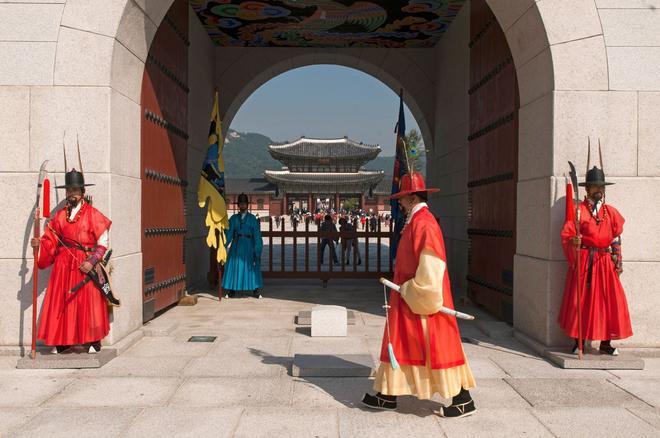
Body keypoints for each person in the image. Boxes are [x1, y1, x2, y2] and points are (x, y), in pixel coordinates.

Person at [362, 172, 476, 418]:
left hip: (419, 297)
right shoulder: (416, 220)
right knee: (401, 344)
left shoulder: (424, 223)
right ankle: (387, 393)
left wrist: (416, 291)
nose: (399, 204)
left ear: (412, 198)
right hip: (406, 296)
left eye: (402, 199)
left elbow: (431, 266)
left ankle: (462, 397)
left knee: (436, 347)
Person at [30, 165, 112, 354]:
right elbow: (50, 241)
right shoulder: (58, 217)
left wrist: (91, 262)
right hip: (63, 266)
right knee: (64, 303)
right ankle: (64, 341)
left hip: (85, 265)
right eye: (69, 190)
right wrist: (39, 244)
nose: (71, 194)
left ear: (83, 192)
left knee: (87, 304)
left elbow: (103, 243)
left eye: (75, 190)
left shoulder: (94, 215)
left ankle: (90, 341)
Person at [559, 158, 632, 355]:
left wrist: (618, 260)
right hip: (585, 262)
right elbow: (566, 235)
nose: (599, 190)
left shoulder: (610, 212)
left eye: (601, 186)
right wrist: (574, 243)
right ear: (587, 189)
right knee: (581, 302)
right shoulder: (579, 211)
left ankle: (606, 343)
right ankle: (579, 341)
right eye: (595, 186)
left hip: (605, 263)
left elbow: (616, 238)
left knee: (609, 302)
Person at [222, 193, 263, 299]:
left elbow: (257, 234)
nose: (243, 205)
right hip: (237, 245)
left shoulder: (252, 218)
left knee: (252, 267)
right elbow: (229, 233)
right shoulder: (233, 218)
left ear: (247, 205)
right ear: (238, 205)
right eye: (241, 203)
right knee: (234, 266)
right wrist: (223, 245)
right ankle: (231, 290)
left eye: (244, 203)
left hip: (249, 245)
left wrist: (257, 248)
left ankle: (256, 290)